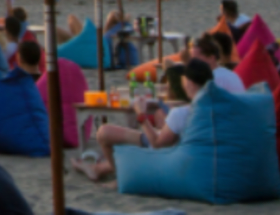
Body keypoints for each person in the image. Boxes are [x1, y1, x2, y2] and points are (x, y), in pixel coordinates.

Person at [76, 59, 211, 182]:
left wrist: (141, 115)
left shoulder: (181, 113)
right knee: (157, 117)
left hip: (164, 151)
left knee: (104, 132)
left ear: (189, 83)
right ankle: (96, 169)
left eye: (184, 80)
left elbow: (157, 144)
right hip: (182, 149)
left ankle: (118, 178)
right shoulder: (209, 108)